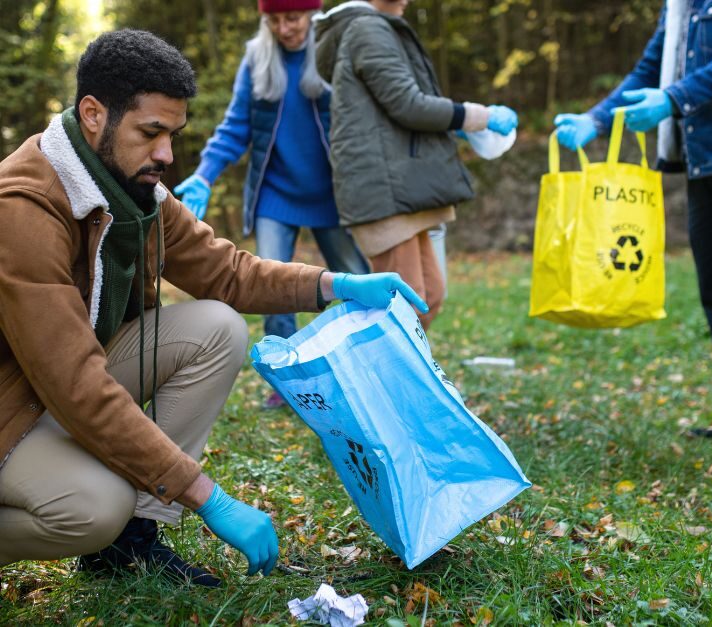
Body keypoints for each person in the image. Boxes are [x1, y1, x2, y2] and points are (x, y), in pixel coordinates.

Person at [0, 29, 427, 586]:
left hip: (55, 388)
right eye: (151, 132)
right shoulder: (22, 209)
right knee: (92, 509)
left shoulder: (131, 188)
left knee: (216, 327)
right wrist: (206, 496)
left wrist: (337, 282)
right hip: (13, 409)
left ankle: (131, 544)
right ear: (93, 114)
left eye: (173, 135)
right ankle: (109, 525)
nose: (167, 155)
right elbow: (74, 382)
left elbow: (226, 272)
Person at [174, 0, 368, 408]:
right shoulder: (256, 58)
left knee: (353, 276)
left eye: (293, 18)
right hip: (276, 193)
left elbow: (365, 115)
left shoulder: (334, 50)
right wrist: (206, 174)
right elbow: (235, 127)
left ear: (312, 15)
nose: (284, 28)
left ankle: (366, 362)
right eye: (274, 20)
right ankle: (290, 382)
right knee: (273, 282)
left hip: (333, 192)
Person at [553, 1, 712, 437]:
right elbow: (649, 69)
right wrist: (596, 118)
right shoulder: (681, 5)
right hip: (704, 162)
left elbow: (670, 87)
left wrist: (673, 99)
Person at [314, 0, 518, 329]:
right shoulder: (368, 28)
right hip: (383, 187)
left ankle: (397, 376)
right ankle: (376, 377)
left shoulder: (370, 28)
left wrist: (454, 125)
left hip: (402, 183)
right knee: (405, 309)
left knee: (429, 297)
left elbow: (391, 107)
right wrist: (478, 117)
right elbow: (407, 104)